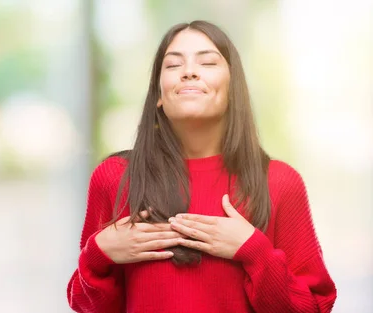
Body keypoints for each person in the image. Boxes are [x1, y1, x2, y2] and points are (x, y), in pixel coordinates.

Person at [66, 20, 337, 313]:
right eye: (172, 66)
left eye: (207, 62)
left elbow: (312, 308)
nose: (189, 72)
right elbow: (86, 306)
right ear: (159, 94)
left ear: (234, 89)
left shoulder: (279, 182)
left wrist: (254, 251)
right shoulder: (114, 178)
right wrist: (98, 255)